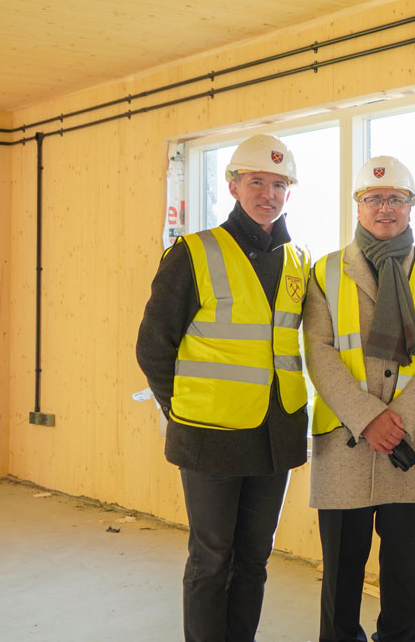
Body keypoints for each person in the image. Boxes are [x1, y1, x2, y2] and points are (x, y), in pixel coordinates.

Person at [136, 133, 310, 642]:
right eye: (256, 181)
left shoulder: (299, 261)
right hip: (209, 436)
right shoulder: (193, 253)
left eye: (278, 184)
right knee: (211, 559)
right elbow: (153, 347)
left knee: (254, 559)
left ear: (289, 193)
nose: (268, 194)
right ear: (233, 186)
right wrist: (185, 408)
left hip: (274, 437)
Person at [302, 156, 415, 642]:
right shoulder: (325, 271)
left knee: (403, 576)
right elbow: (319, 351)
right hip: (346, 443)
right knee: (341, 576)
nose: (384, 208)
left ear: (412, 206)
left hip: (408, 447)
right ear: (358, 205)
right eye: (373, 198)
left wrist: (399, 420)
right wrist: (368, 418)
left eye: (395, 198)